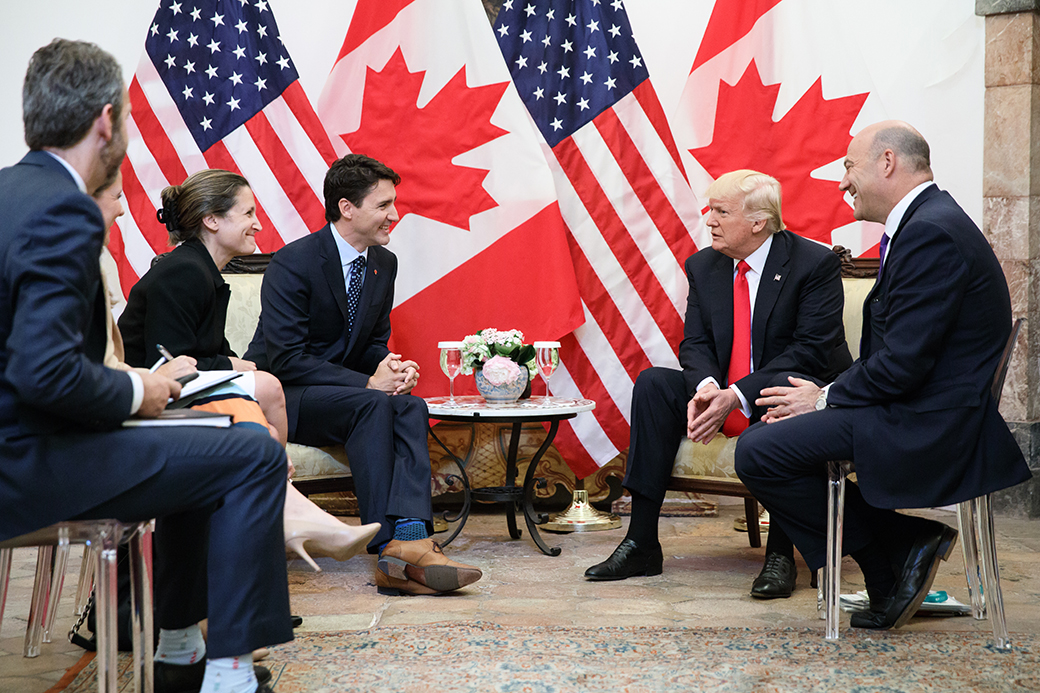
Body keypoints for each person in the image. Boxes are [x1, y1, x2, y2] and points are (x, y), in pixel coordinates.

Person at [0, 39, 288, 693]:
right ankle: (228, 674)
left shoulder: (8, 192)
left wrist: (146, 390)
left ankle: (183, 651)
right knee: (254, 453)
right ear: (106, 120)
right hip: (29, 459)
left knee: (216, 439)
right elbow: (43, 373)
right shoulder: (64, 209)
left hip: (26, 441)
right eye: (127, 119)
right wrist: (143, 390)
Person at [735, 121, 1032, 630]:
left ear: (887, 162)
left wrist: (824, 398)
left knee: (761, 450)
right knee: (774, 435)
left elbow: (901, 364)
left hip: (928, 420)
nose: (843, 181)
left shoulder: (930, 232)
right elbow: (902, 357)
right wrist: (826, 397)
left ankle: (893, 553)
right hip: (916, 404)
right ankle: (896, 553)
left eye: (849, 166)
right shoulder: (927, 223)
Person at [585, 170, 852, 600]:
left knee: (783, 398)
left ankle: (781, 554)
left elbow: (808, 351)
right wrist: (708, 387)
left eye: (721, 211)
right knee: (654, 384)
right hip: (726, 387)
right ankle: (641, 544)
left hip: (791, 390)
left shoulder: (812, 264)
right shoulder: (704, 265)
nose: (708, 220)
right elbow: (695, 341)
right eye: (710, 209)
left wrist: (738, 394)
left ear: (758, 221)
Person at [117, 168, 382, 571]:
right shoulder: (184, 271)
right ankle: (284, 509)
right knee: (269, 388)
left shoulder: (205, 272)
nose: (258, 224)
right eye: (247, 213)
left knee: (268, 414)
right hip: (150, 401)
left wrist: (230, 362)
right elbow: (168, 360)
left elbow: (205, 350)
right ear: (212, 220)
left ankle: (276, 516)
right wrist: (233, 364)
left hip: (183, 394)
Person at [245, 153, 482, 596]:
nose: (395, 214)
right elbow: (287, 358)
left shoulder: (382, 263)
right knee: (373, 403)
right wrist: (369, 384)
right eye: (384, 205)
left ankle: (410, 538)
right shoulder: (294, 262)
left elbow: (370, 341)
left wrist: (388, 366)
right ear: (346, 208)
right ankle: (388, 546)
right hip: (285, 395)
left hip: (345, 397)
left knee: (409, 405)